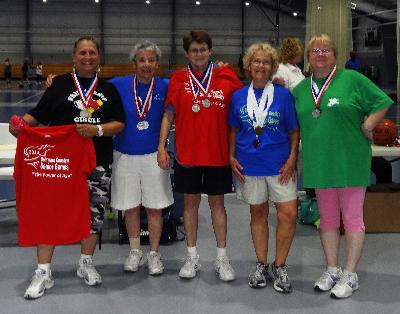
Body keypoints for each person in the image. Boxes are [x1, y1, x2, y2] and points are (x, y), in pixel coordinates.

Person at [9, 36, 125, 299]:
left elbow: (119, 124)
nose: (87, 57)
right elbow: (36, 116)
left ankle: (86, 264)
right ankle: (43, 271)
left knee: (94, 215)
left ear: (99, 57)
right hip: (60, 166)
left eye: (92, 53)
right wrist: (19, 125)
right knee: (49, 214)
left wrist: (95, 129)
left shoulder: (108, 89)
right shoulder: (59, 85)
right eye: (82, 52)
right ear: (74, 56)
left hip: (97, 162)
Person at [292, 34, 393, 299]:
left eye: (326, 49)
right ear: (309, 57)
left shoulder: (352, 79)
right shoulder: (301, 90)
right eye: (315, 50)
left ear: (334, 54)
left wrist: (369, 124)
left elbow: (383, 102)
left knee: (352, 220)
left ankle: (350, 274)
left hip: (349, 162)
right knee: (326, 220)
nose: (320, 54)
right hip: (319, 163)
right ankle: (332, 269)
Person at [157, 30, 243, 281]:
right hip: (188, 154)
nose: (199, 54)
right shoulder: (178, 79)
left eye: (203, 49)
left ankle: (221, 258)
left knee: (218, 204)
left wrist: (275, 83)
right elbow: (168, 114)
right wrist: (162, 146)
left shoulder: (226, 76)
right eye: (194, 50)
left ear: (210, 51)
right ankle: (192, 257)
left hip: (217, 154)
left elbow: (246, 102)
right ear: (187, 53)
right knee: (191, 204)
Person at [229, 42, 299, 293]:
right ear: (248, 66)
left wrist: (292, 158)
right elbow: (234, 129)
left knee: (288, 213)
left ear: (272, 67)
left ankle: (279, 266)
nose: (260, 65)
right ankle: (261, 263)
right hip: (250, 164)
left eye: (265, 62)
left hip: (280, 165)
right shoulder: (238, 95)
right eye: (256, 61)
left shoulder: (283, 95)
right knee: (257, 214)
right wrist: (231, 155)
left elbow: (294, 130)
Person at [109, 41, 173, 275]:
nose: (146, 64)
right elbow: (90, 90)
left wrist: (219, 68)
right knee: (131, 207)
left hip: (154, 156)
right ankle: (135, 251)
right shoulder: (118, 85)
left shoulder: (166, 86)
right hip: (124, 155)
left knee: (155, 208)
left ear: (157, 63)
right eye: (142, 60)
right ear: (134, 63)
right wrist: (55, 79)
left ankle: (154, 254)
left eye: (151, 60)